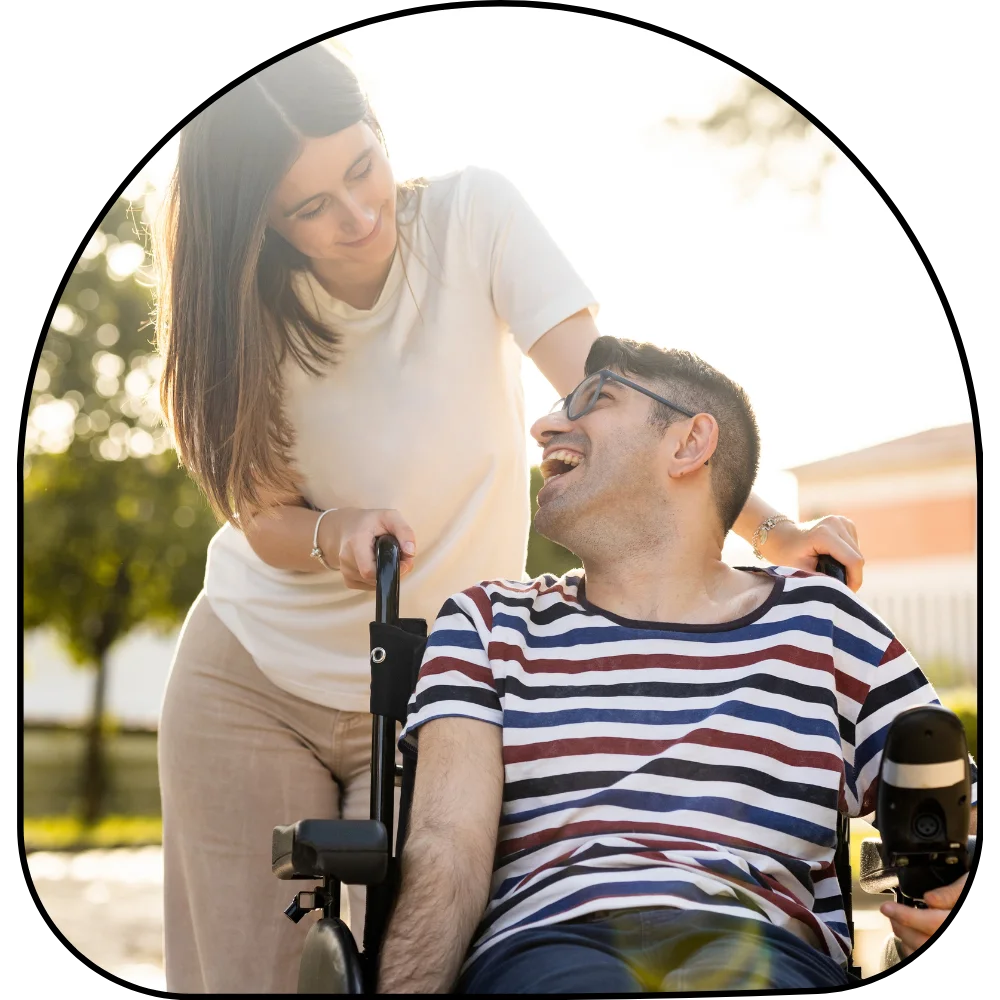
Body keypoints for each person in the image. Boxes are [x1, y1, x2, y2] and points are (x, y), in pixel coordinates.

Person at [153, 42, 866, 993]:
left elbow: (604, 392)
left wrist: (767, 529)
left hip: (430, 686)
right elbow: (256, 512)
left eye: (362, 169)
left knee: (414, 954)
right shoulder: (238, 307)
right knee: (251, 975)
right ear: (260, 223)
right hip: (248, 678)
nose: (358, 216)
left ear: (379, 133)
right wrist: (335, 531)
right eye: (310, 207)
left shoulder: (471, 216)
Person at [378, 336, 977, 993]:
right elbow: (446, 848)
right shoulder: (487, 624)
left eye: (594, 400)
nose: (546, 424)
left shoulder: (822, 624)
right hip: (554, 942)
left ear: (689, 444)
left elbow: (951, 802)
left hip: (765, 946)